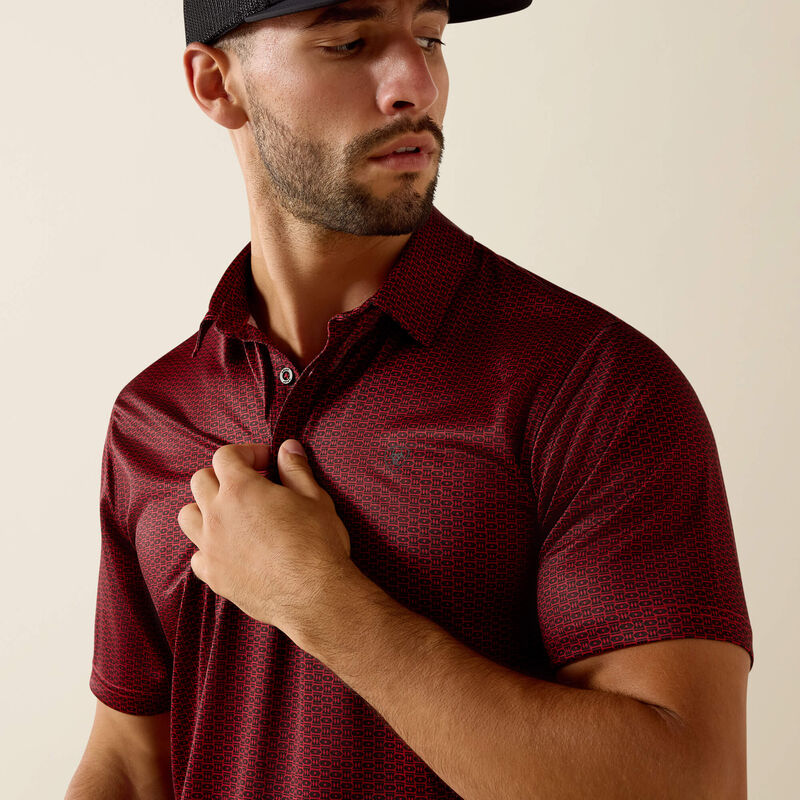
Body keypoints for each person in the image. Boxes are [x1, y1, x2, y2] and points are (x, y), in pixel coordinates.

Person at [66, 0, 754, 797]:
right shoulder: (154, 416)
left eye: (429, 37)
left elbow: (689, 783)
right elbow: (131, 762)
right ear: (217, 84)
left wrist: (321, 602)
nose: (416, 85)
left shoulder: (592, 387)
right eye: (350, 42)